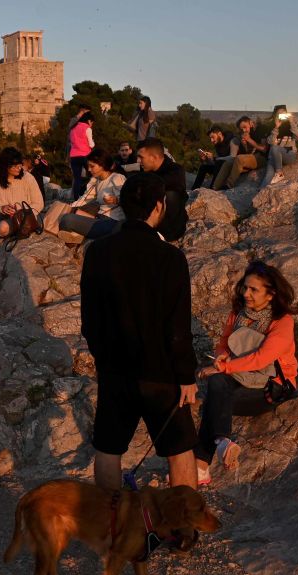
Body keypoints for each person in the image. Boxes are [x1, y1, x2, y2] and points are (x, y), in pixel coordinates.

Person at [81, 172, 199, 490]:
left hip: (115, 370)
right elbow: (177, 328)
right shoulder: (171, 258)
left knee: (109, 449)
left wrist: (104, 358)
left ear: (121, 205)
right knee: (179, 450)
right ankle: (181, 530)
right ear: (159, 206)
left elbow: (89, 322)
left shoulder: (97, 253)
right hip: (160, 373)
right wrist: (186, 376)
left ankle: (111, 526)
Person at [194, 261, 298, 484]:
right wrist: (221, 355)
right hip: (240, 377)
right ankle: (222, 443)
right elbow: (223, 342)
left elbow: (262, 358)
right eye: (245, 287)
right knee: (217, 386)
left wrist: (223, 366)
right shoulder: (238, 313)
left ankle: (202, 465)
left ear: (270, 294)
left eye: (254, 289)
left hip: (270, 387)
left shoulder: (282, 322)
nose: (246, 294)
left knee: (217, 399)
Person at [47, 148, 126, 239]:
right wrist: (68, 207)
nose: (88, 169)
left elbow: (129, 200)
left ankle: (77, 235)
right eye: (88, 166)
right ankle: (77, 234)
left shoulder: (116, 178)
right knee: (67, 213)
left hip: (112, 222)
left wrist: (116, 200)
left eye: (92, 166)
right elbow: (84, 199)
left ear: (102, 165)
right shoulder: (96, 181)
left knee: (67, 219)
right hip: (99, 218)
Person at [136, 138, 189, 242]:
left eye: (141, 157)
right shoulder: (146, 170)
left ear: (154, 157)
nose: (138, 161)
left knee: (170, 195)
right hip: (148, 222)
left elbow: (174, 196)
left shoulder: (175, 170)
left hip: (171, 228)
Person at [212, 116, 268, 190]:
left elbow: (264, 149)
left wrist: (249, 140)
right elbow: (249, 153)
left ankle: (229, 185)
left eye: (245, 127)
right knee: (228, 162)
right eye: (242, 129)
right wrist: (245, 145)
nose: (244, 130)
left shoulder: (260, 129)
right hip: (252, 157)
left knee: (239, 158)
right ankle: (215, 187)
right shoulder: (247, 133)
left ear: (251, 123)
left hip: (262, 158)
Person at [261, 105, 298, 188]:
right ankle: (260, 193)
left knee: (275, 148)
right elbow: (270, 142)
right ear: (275, 116)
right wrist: (276, 127)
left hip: (289, 154)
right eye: (279, 114)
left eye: (284, 114)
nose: (282, 117)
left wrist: (291, 122)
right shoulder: (272, 127)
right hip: (275, 157)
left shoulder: (291, 127)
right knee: (267, 177)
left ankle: (279, 173)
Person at [191, 126, 235, 190]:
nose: (211, 140)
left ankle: (213, 187)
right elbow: (216, 161)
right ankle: (194, 189)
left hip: (228, 168)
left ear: (219, 134)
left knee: (218, 165)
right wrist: (207, 159)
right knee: (203, 167)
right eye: (210, 138)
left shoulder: (231, 141)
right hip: (219, 167)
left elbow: (231, 158)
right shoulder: (217, 144)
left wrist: (214, 158)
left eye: (213, 137)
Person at [68, 111, 95, 201]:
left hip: (73, 156)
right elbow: (91, 144)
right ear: (88, 120)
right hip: (85, 155)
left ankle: (76, 199)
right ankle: (90, 196)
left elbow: (71, 143)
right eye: (92, 122)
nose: (92, 125)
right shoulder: (87, 128)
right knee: (93, 176)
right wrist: (93, 143)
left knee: (77, 179)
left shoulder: (73, 128)